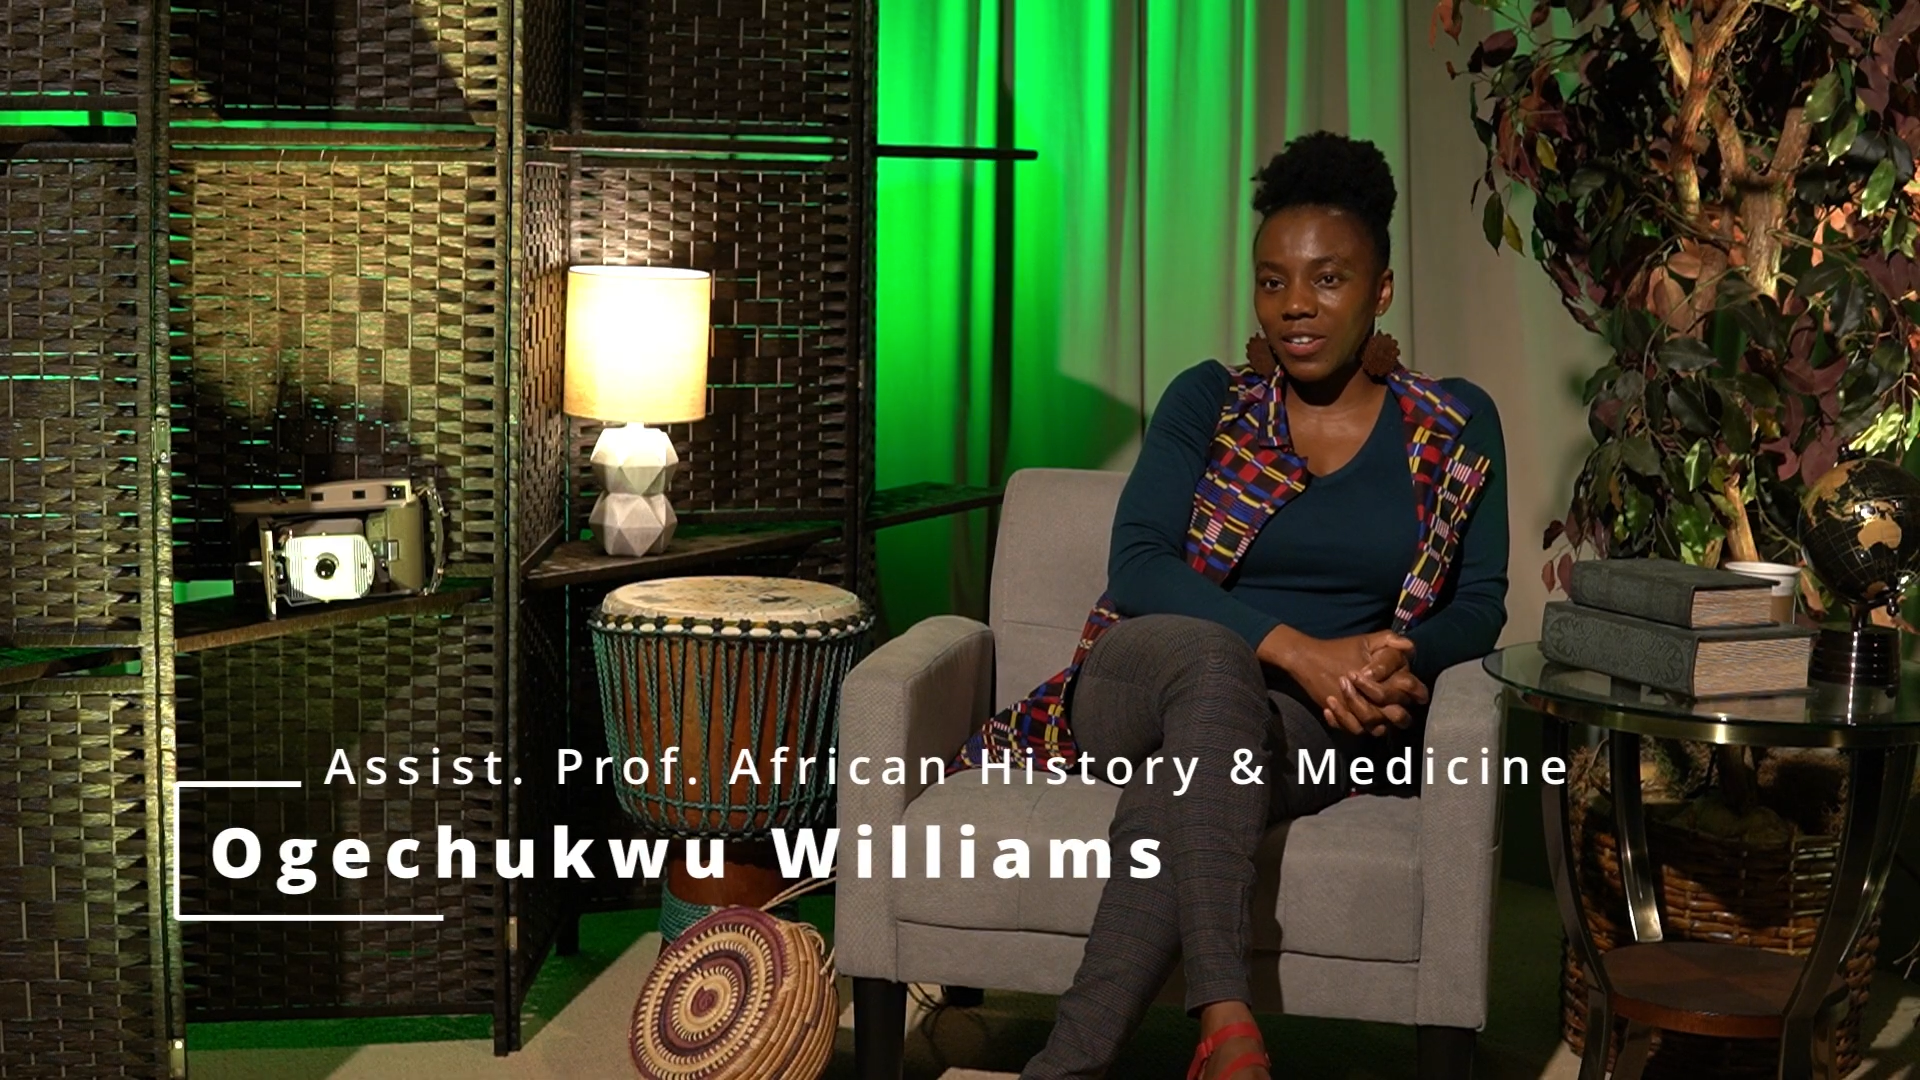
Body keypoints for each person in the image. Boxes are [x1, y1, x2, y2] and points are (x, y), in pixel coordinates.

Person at [952, 131, 1509, 1079]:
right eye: (1272, 280)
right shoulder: (1210, 401)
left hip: (1319, 717)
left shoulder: (1452, 422)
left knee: (1192, 780)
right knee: (1214, 668)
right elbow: (1139, 567)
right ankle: (1226, 1012)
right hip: (1144, 669)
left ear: (1380, 287)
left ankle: (1076, 1063)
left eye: (1328, 279)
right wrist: (1299, 648)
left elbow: (1483, 603)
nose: (1296, 305)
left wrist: (1394, 658)